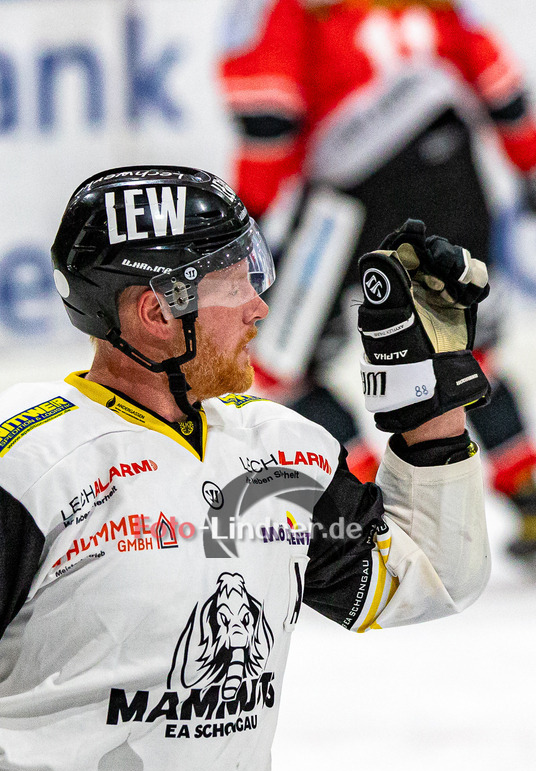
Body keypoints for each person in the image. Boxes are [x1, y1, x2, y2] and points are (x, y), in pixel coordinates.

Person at [0, 166, 490, 771]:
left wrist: (426, 401)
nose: (259, 306)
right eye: (236, 281)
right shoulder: (20, 462)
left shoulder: (279, 454)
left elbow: (430, 574)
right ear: (155, 311)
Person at [219, 0, 536, 555]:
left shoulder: (290, 8)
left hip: (355, 198)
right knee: (461, 353)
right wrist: (528, 163)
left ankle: (365, 511)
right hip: (455, 179)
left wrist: (249, 219)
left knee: (274, 360)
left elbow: (270, 118)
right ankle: (528, 491)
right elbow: (503, 89)